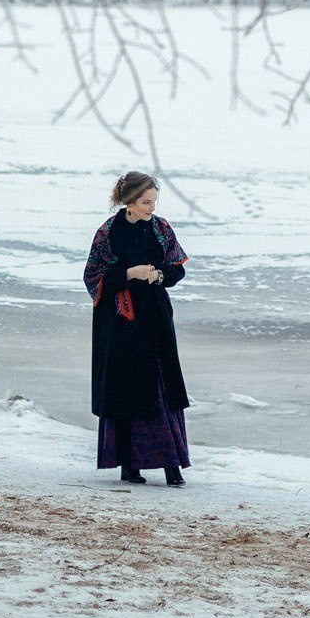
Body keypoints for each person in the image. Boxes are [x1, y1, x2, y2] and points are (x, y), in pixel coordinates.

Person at [83, 170, 191, 486]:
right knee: (125, 388)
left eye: (154, 202)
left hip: (155, 318)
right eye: (145, 202)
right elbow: (93, 277)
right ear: (129, 201)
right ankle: (129, 466)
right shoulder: (108, 233)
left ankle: (173, 465)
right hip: (120, 323)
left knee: (162, 386)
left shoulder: (161, 229)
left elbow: (177, 269)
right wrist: (129, 273)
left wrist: (157, 276)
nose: (151, 208)